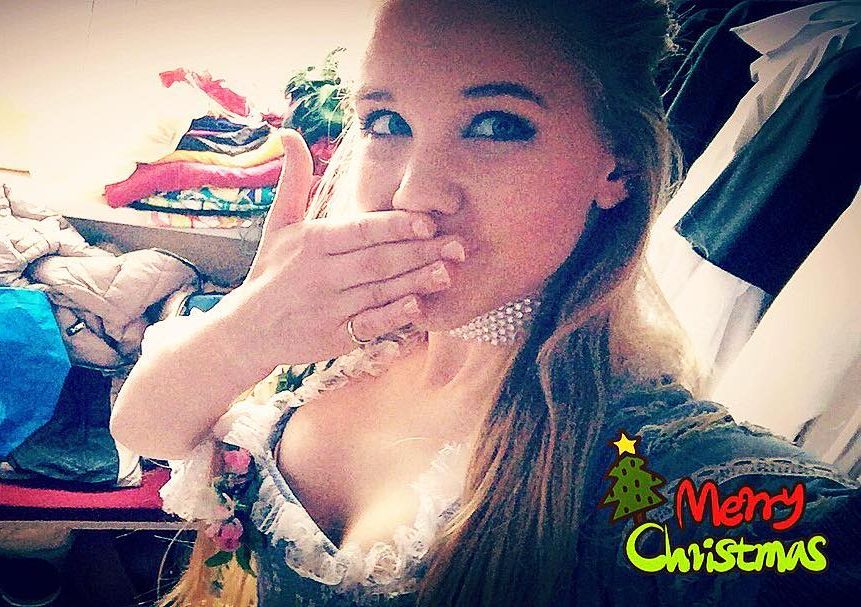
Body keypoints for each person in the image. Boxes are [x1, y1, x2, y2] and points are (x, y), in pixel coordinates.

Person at [110, 1, 860, 605]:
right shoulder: (336, 333)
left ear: (618, 169)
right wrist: (250, 326)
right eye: (387, 122)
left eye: (496, 125)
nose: (415, 192)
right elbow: (144, 428)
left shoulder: (649, 464)